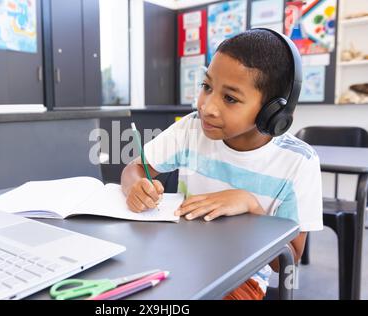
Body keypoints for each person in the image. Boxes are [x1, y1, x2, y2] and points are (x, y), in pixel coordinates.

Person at [120, 29, 323, 300]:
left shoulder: (299, 162)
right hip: (176, 257)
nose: (207, 107)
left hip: (242, 276)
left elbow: (289, 259)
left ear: (272, 112)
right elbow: (133, 169)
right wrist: (137, 187)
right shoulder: (191, 128)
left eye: (230, 98)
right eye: (207, 87)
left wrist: (251, 206)